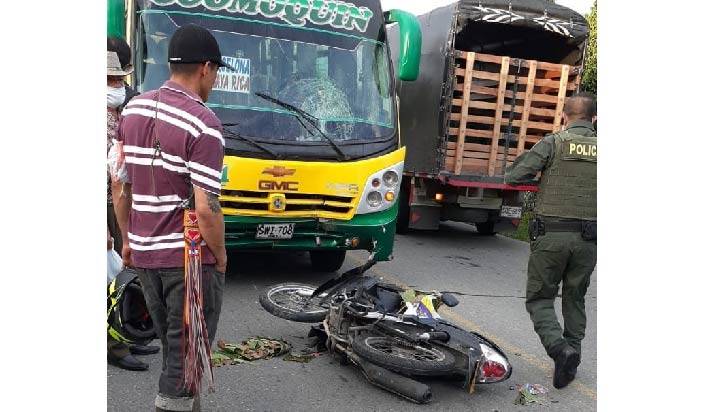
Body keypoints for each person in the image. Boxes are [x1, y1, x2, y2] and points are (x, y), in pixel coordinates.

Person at [113, 24, 230, 412]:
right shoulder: (204, 123)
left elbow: (120, 186)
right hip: (188, 262)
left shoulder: (133, 109)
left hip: (145, 257)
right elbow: (206, 207)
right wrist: (222, 256)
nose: (214, 80)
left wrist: (128, 241)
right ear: (206, 69)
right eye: (216, 73)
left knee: (178, 351)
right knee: (182, 365)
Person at [504, 92, 597, 389]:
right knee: (575, 297)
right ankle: (571, 363)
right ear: (594, 119)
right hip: (588, 239)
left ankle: (560, 350)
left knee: (540, 298)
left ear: (564, 117)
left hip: (551, 236)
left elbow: (514, 176)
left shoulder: (554, 142)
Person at [106, 42, 160, 372]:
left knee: (128, 271)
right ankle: (113, 345)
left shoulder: (130, 101)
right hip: (104, 199)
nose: (114, 85)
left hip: (124, 195)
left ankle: (127, 333)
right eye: (108, 78)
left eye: (117, 78)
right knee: (108, 275)